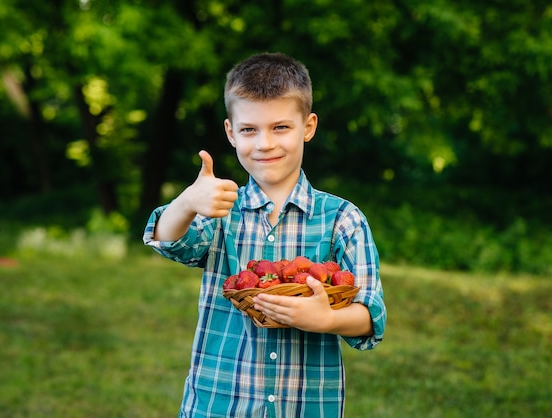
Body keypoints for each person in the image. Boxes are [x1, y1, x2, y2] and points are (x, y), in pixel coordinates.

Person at [143, 52, 386, 417]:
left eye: (281, 128)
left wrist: (327, 320)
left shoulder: (342, 219)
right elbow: (169, 241)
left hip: (305, 407)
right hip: (218, 404)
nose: (265, 144)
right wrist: (187, 202)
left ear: (308, 126)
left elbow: (371, 313)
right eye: (249, 130)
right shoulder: (219, 209)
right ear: (230, 132)